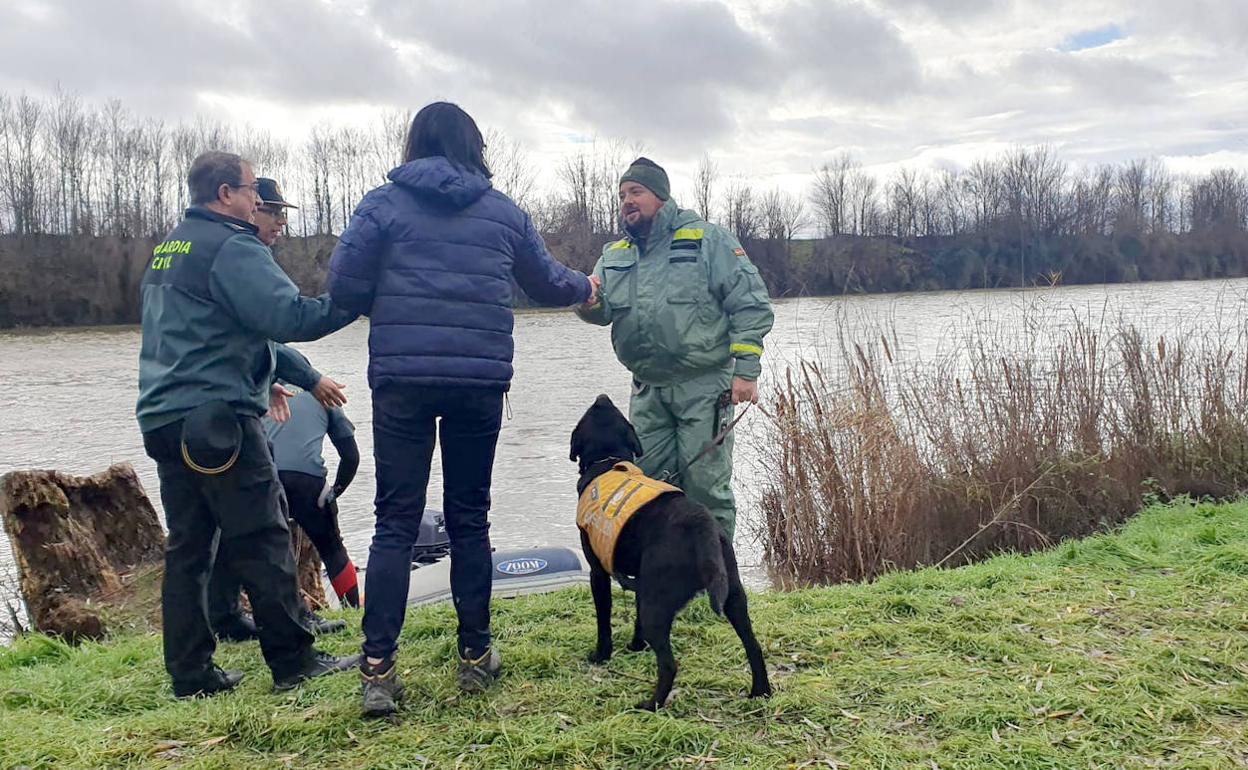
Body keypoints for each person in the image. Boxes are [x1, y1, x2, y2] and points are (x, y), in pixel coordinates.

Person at [328, 101, 597, 717]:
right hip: (478, 383)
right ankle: (475, 656)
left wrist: (391, 299)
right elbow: (549, 282)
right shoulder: (503, 214)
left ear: (414, 143)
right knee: (470, 518)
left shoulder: (381, 205)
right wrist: (588, 286)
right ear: (475, 147)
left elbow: (344, 287)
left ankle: (377, 670)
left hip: (401, 381)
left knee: (395, 522)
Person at [137, 150, 359, 698]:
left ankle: (190, 674)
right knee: (263, 534)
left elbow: (206, 329)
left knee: (188, 547)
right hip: (217, 421)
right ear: (224, 194)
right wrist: (355, 299)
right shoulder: (232, 245)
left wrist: (263, 369)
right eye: (249, 190)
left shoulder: (170, 248)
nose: (258, 200)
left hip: (164, 416)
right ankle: (292, 659)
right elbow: (290, 317)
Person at [576, 157, 774, 541]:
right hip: (647, 390)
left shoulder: (707, 240)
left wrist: (746, 371)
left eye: (636, 192)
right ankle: (661, 576)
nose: (627, 201)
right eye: (622, 195)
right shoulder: (615, 254)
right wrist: (587, 302)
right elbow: (601, 314)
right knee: (648, 487)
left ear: (661, 197)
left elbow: (750, 304)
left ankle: (717, 580)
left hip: (703, 387)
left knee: (705, 488)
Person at [206, 343, 352, 641]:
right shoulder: (320, 396)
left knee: (247, 547)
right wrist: (334, 492)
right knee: (330, 549)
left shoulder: (252, 392)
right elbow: (351, 455)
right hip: (307, 483)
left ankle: (226, 618)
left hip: (258, 473)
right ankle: (348, 609)